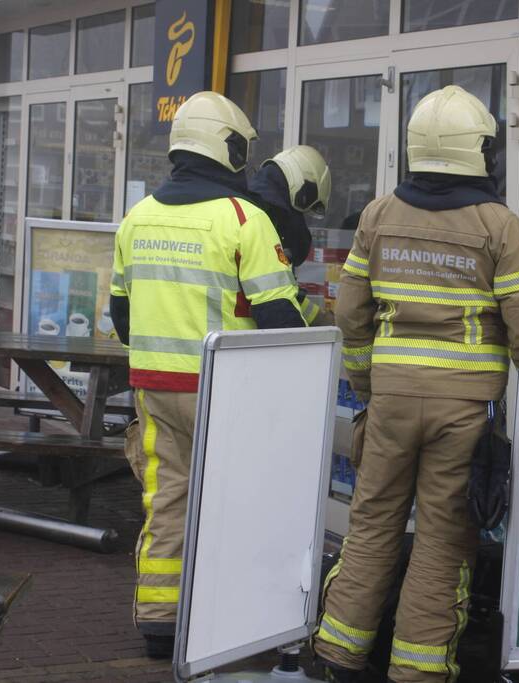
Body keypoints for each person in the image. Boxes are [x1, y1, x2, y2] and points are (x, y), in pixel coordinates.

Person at [313, 85, 519, 683]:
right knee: (445, 541)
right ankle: (418, 670)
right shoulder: (499, 225)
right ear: (478, 151)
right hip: (464, 413)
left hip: (392, 401)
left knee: (371, 525)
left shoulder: (377, 215)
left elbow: (350, 313)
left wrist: (367, 381)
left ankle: (335, 655)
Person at [110, 91, 305, 658]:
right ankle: (236, 621)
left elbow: (121, 316)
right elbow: (280, 319)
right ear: (228, 147)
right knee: (240, 502)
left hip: (153, 390)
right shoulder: (245, 219)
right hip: (225, 394)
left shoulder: (136, 218)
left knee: (166, 498)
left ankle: (159, 622)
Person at [249, 144, 334, 326]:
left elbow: (283, 291)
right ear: (302, 190)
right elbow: (276, 307)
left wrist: (321, 321)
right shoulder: (262, 220)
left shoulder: (250, 206)